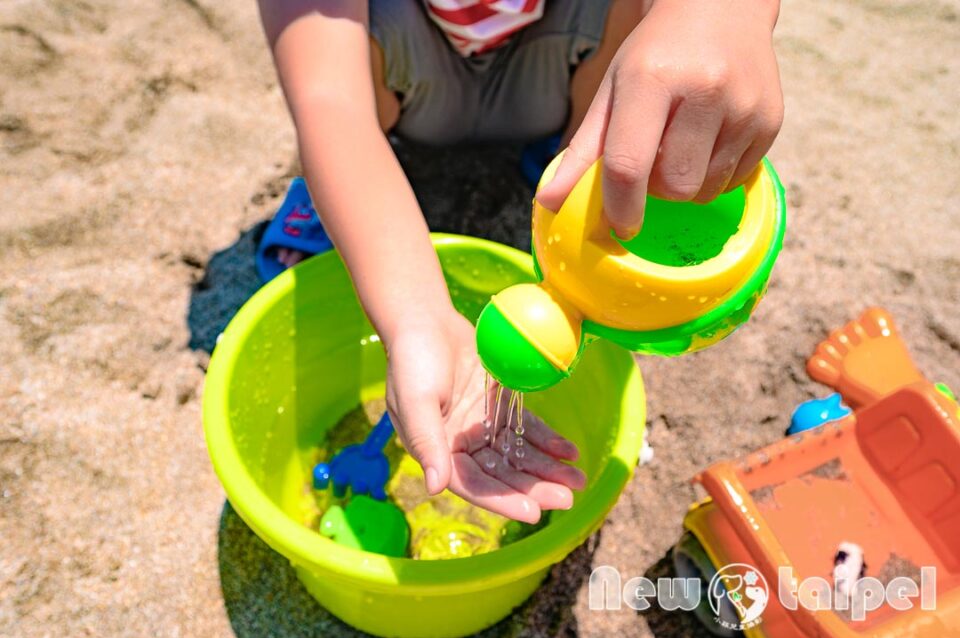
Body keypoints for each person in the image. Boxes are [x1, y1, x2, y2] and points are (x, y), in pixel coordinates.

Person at [257, 0, 784, 523]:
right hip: (406, 81)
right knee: (331, 75)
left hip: (561, 67)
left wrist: (721, 15)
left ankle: (574, 162)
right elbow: (330, 100)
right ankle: (341, 192)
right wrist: (418, 317)